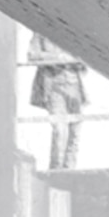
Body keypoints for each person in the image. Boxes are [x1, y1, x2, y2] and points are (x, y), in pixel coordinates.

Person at [27, 35, 87, 168]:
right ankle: (56, 170)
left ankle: (69, 170)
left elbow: (86, 59)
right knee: (60, 130)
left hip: (74, 85)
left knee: (75, 131)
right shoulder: (40, 31)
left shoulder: (73, 29)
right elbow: (32, 55)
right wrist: (57, 58)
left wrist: (78, 60)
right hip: (54, 85)